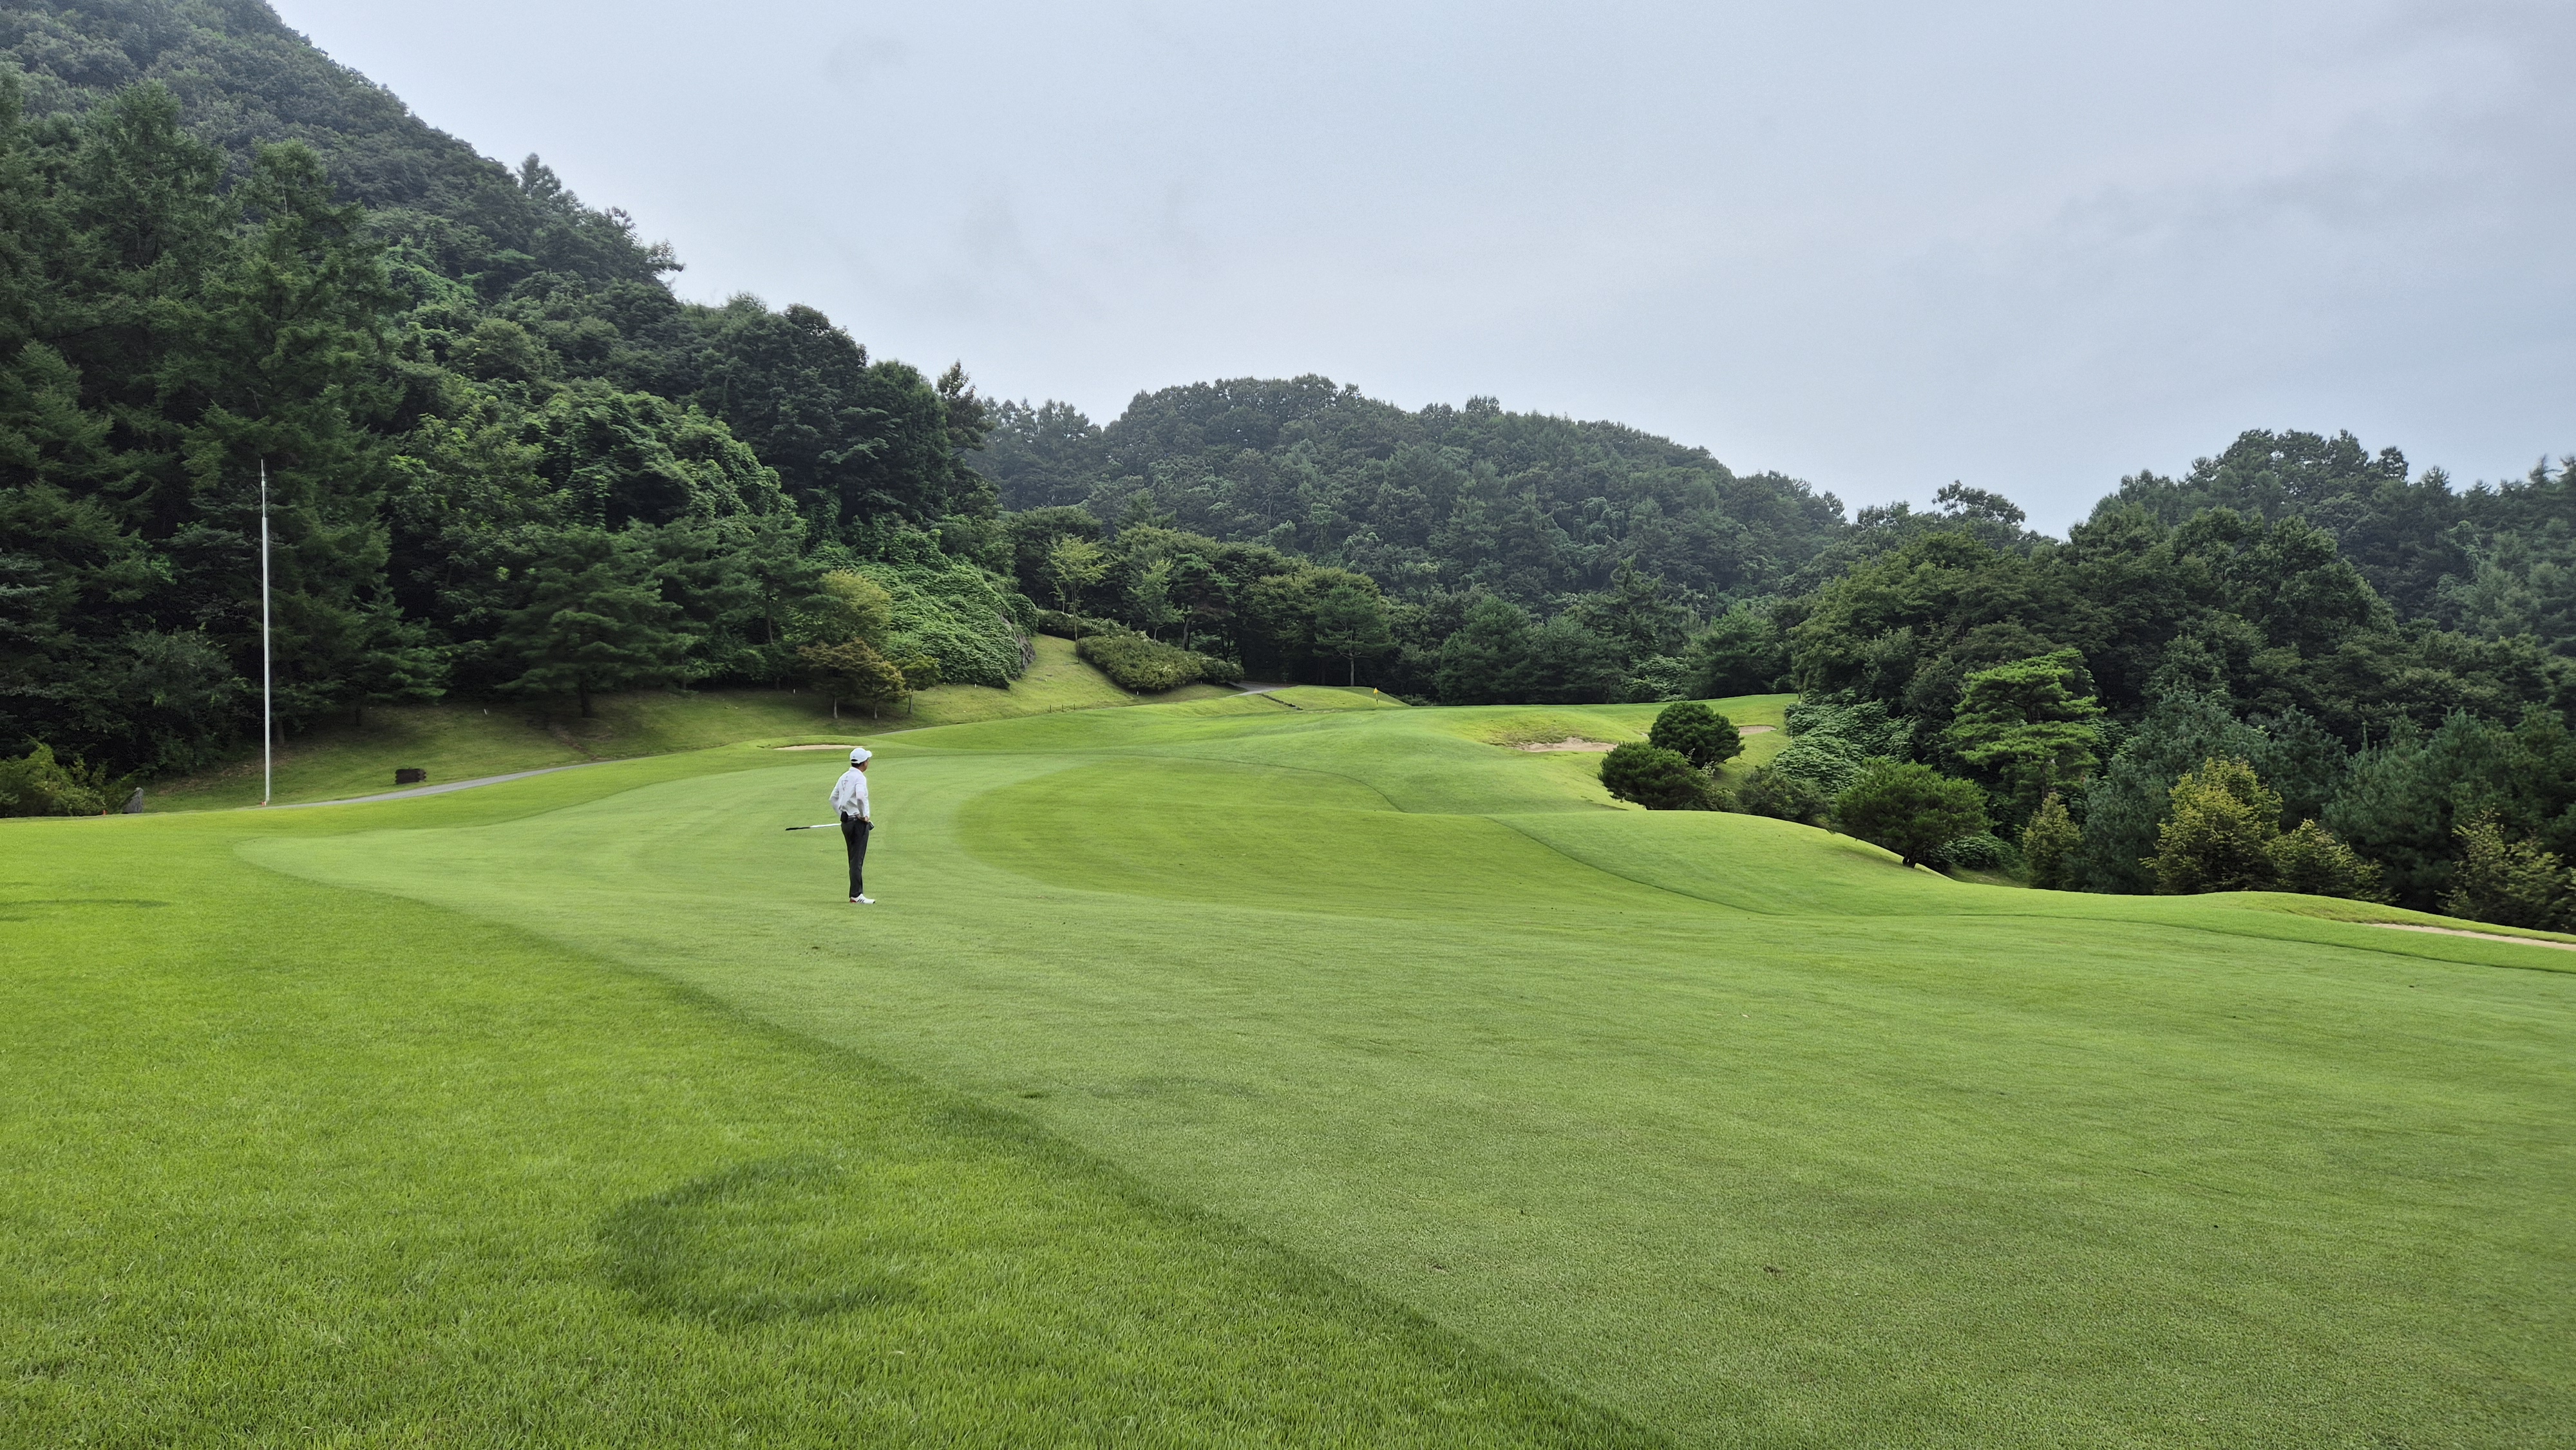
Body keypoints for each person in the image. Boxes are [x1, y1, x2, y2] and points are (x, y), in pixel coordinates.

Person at [830, 747, 875, 904]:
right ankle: (856, 895)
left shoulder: (844, 776)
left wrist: (841, 814)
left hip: (847, 823)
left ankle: (855, 894)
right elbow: (861, 798)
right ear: (864, 763)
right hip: (858, 824)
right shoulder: (860, 778)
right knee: (857, 860)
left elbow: (833, 799)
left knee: (853, 858)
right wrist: (863, 816)